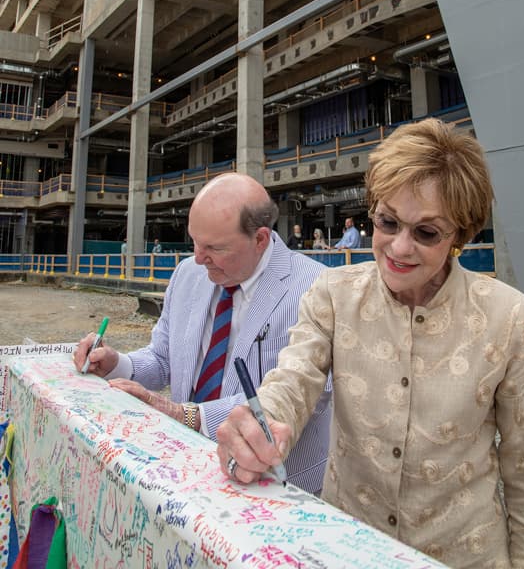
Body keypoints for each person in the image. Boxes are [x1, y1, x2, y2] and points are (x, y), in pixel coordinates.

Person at [216, 119, 524, 569]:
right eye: (387, 222)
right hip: (347, 551)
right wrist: (263, 423)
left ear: (459, 235)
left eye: (426, 232)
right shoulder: (333, 294)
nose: (399, 248)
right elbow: (293, 379)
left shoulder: (508, 317)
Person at [74, 173, 331, 494]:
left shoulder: (317, 288)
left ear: (260, 239)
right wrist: (118, 364)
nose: (198, 257)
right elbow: (162, 358)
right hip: (188, 472)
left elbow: (309, 396)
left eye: (214, 247)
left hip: (274, 486)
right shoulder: (188, 273)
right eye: (195, 241)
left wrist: (190, 416)